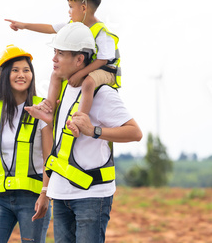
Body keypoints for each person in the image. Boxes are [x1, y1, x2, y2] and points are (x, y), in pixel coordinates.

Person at [25, 23, 142, 243]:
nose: (54, 59)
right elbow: (59, 146)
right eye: (54, 52)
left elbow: (135, 133)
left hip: (92, 196)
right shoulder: (65, 88)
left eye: (61, 53)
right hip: (60, 194)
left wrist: (94, 130)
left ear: (79, 60)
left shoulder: (102, 92)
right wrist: (45, 190)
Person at [0, 44, 52, 243]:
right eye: (15, 70)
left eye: (26, 70)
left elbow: (49, 158)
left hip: (33, 198)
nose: (21, 75)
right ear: (5, 75)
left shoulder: (42, 109)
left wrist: (45, 195)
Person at [5, 0, 121, 123]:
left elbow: (103, 60)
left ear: (83, 8)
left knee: (88, 83)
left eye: (71, 7)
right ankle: (49, 110)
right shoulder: (73, 25)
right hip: (87, 68)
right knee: (55, 74)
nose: (69, 12)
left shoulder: (102, 32)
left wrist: (80, 74)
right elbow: (50, 28)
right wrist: (24, 26)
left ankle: (79, 121)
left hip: (107, 70)